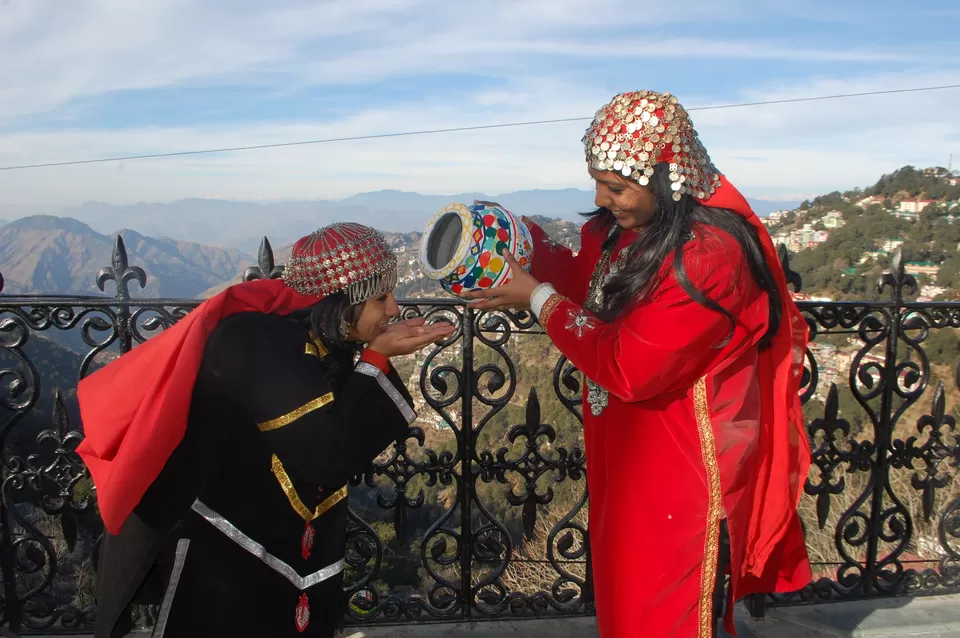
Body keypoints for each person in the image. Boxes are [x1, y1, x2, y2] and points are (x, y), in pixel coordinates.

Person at [466, 91, 813, 637]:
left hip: (681, 475)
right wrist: (514, 245)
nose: (601, 199)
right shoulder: (626, 234)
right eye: (597, 183)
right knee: (626, 607)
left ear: (666, 178)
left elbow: (630, 365)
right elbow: (588, 285)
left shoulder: (709, 256)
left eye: (616, 187)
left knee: (666, 613)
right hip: (631, 459)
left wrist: (537, 298)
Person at [76, 223, 454, 638]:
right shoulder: (259, 344)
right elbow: (326, 456)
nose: (394, 308)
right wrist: (377, 358)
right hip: (223, 552)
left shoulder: (316, 337)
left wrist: (371, 354)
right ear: (341, 300)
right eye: (380, 297)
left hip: (276, 544)